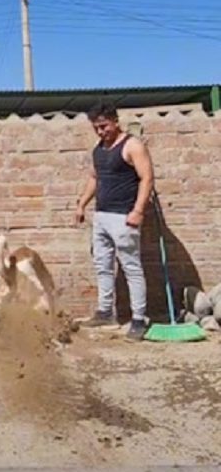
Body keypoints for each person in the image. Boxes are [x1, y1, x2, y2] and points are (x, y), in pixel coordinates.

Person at [74, 102, 154, 341]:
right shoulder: (98, 148)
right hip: (101, 216)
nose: (100, 132)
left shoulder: (133, 146)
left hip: (124, 217)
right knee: (102, 265)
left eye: (104, 126)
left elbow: (147, 178)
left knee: (131, 268)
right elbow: (94, 178)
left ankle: (138, 319)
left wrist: (138, 210)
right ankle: (105, 311)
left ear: (115, 121)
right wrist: (82, 204)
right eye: (96, 128)